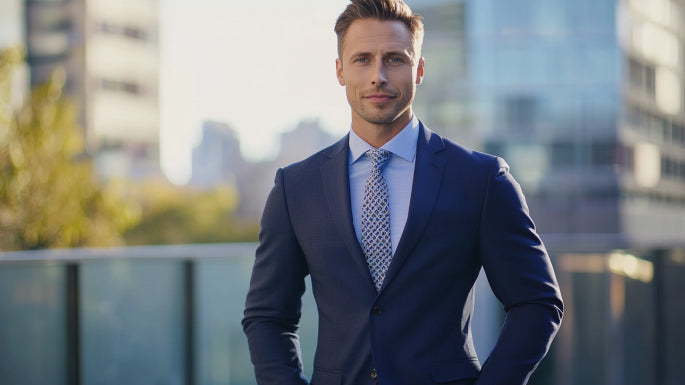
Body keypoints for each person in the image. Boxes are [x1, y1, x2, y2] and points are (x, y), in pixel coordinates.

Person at [242, 0, 563, 384]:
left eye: (394, 59)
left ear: (420, 69)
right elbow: (267, 317)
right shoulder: (296, 188)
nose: (378, 75)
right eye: (362, 59)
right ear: (340, 71)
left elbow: (537, 303)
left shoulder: (481, 179)